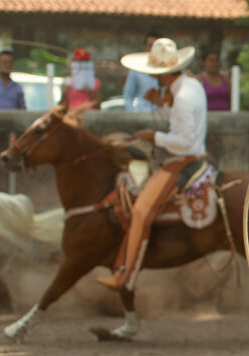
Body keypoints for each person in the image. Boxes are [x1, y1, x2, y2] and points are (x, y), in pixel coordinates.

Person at [97, 38, 206, 291]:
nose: (154, 80)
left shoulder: (182, 99)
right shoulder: (191, 86)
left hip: (183, 161)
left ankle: (125, 275)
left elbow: (186, 142)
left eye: (156, 75)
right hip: (190, 155)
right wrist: (162, 104)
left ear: (165, 75)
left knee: (140, 212)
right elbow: (183, 124)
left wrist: (153, 137)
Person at [123, 31, 162, 112]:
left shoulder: (169, 71)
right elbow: (128, 94)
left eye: (157, 46)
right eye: (151, 46)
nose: (154, 49)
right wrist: (132, 113)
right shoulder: (136, 70)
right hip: (143, 114)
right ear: (145, 48)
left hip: (164, 116)